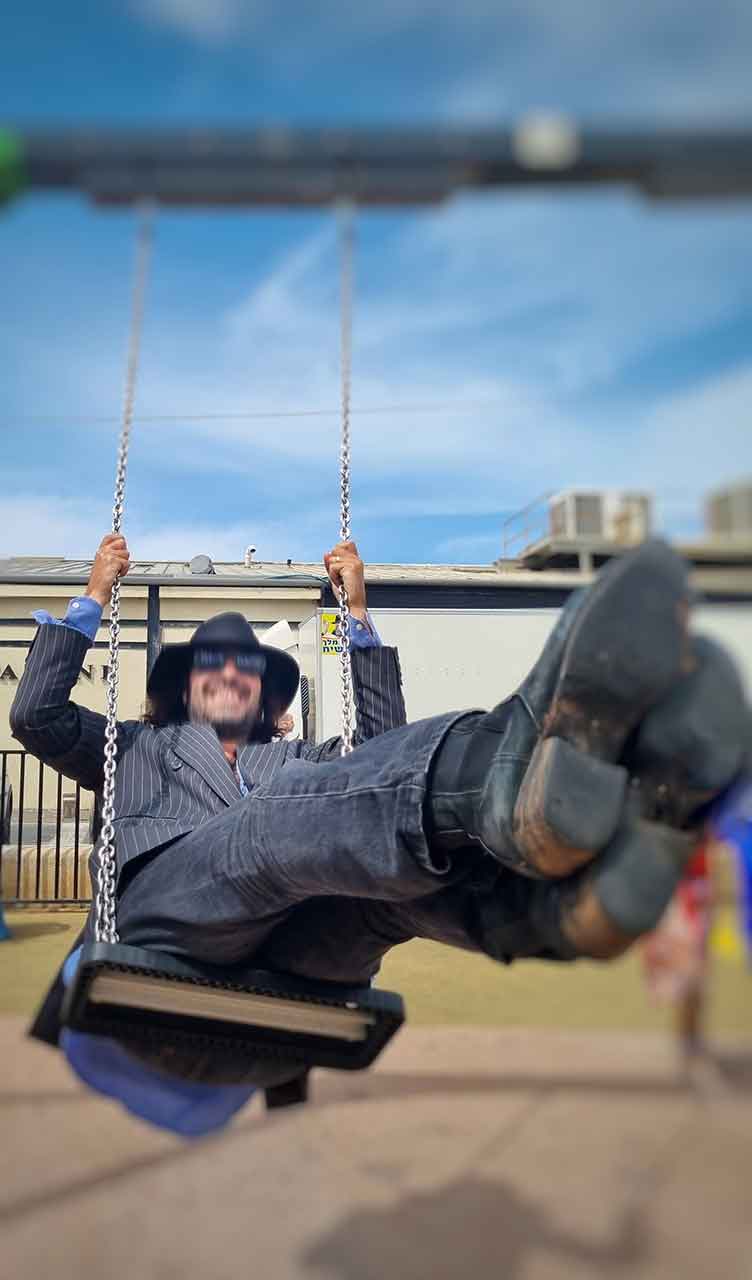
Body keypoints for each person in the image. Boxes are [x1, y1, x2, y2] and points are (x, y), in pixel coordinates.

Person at [10, 535, 752, 1136]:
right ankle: (514, 766)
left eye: (247, 667)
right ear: (183, 686)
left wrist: (357, 614)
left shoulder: (292, 760)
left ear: (266, 693)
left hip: (277, 1001)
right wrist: (94, 595)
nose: (231, 674)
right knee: (273, 825)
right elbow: (34, 716)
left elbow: (382, 760)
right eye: (212, 664)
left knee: (381, 882)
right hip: (157, 950)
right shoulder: (137, 748)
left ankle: (559, 909)